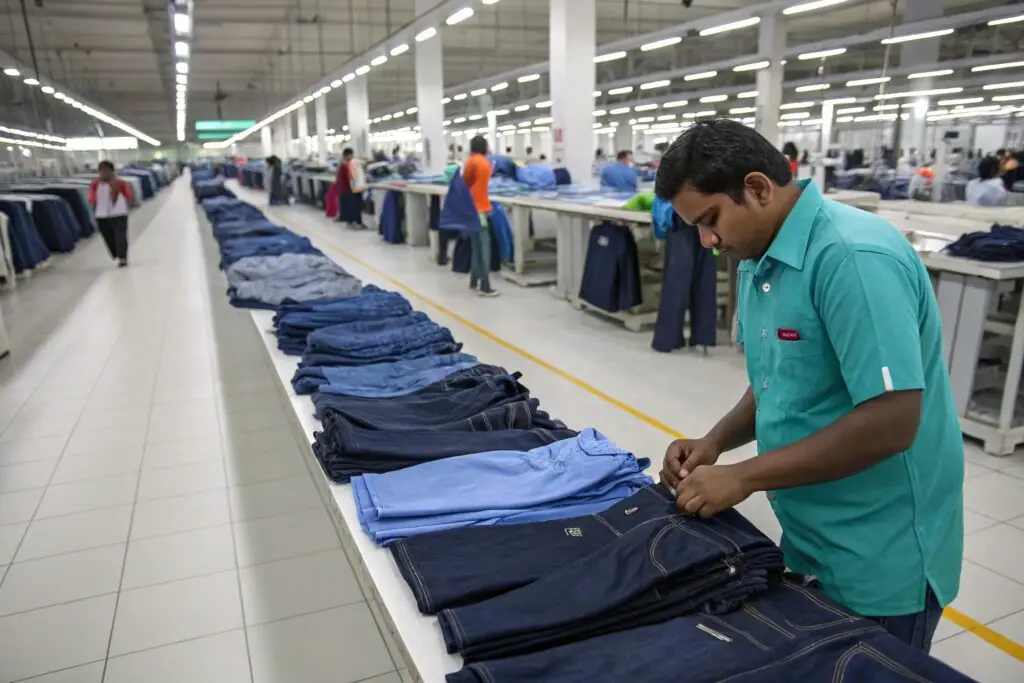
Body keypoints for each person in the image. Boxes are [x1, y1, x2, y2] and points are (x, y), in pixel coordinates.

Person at [654, 119, 963, 653]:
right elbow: (780, 377)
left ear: (757, 188)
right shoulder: (758, 258)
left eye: (710, 220)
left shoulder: (852, 259)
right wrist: (714, 444)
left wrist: (744, 477)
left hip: (880, 551)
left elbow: (893, 421)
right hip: (811, 532)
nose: (707, 241)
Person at [463, 135, 499, 297]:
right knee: (482, 246)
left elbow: (466, 182)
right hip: (481, 209)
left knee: (477, 246)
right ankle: (484, 286)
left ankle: (475, 281)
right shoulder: (486, 163)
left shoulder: (471, 162)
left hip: (473, 208)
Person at [88, 160, 134, 267]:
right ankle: (116, 253)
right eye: (101, 171)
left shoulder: (120, 183)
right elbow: (91, 197)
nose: (104, 173)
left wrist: (128, 206)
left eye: (106, 170)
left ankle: (122, 258)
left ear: (112, 171)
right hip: (102, 215)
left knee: (120, 236)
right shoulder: (95, 184)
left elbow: (128, 195)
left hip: (119, 214)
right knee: (108, 237)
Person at [334, 147, 366, 228]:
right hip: (349, 190)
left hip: (345, 190)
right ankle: (356, 222)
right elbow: (351, 178)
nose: (352, 157)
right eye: (351, 155)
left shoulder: (343, 164)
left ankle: (351, 222)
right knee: (354, 206)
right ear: (348, 155)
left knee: (350, 207)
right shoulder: (346, 165)